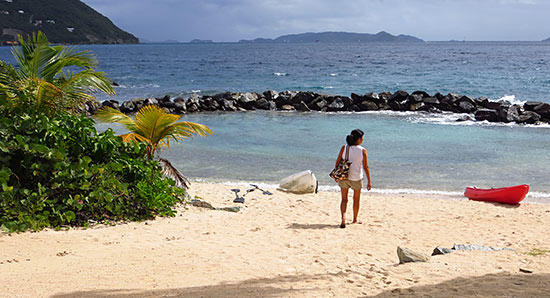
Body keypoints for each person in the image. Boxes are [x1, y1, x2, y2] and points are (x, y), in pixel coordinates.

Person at [334, 129, 371, 228]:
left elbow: (337, 162)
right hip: (357, 178)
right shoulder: (363, 150)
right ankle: (354, 219)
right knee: (356, 200)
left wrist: (336, 175)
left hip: (344, 177)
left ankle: (343, 217)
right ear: (358, 139)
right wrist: (369, 181)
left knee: (344, 199)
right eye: (362, 138)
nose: (362, 139)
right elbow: (366, 167)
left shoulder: (344, 148)